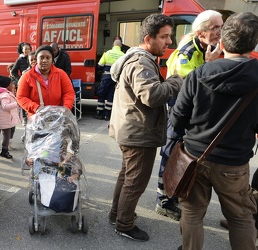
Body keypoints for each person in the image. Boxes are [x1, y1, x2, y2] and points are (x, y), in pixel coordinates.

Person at [170, 12, 258, 250]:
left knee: (192, 212)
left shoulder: (200, 73)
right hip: (234, 163)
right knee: (240, 217)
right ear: (253, 43)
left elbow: (177, 117)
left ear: (224, 41)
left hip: (195, 157)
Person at [108, 14, 183, 242]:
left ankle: (117, 214)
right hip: (138, 133)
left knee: (127, 176)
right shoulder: (141, 62)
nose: (169, 42)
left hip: (132, 129)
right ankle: (124, 224)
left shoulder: (140, 58)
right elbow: (152, 95)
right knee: (135, 181)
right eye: (165, 37)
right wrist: (175, 81)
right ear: (148, 38)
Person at [156, 10, 223, 221]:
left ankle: (175, 194)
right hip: (180, 112)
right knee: (171, 154)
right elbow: (189, 86)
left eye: (221, 26)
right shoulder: (186, 53)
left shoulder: (207, 48)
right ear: (201, 32)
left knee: (184, 157)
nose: (219, 32)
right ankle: (164, 202)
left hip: (194, 114)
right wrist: (209, 66)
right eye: (215, 28)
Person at [16, 45, 75, 117]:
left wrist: (66, 108)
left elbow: (68, 93)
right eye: (41, 57)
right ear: (36, 59)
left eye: (48, 58)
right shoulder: (27, 76)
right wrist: (36, 108)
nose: (44, 60)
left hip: (57, 117)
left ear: (52, 60)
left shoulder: (61, 74)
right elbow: (21, 97)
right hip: (36, 119)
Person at [0, 75, 21, 159]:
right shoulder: (5, 95)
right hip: (5, 119)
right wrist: (17, 103)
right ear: (7, 85)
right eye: (11, 83)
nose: (12, 85)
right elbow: (5, 106)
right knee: (6, 135)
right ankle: (4, 150)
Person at [94, 39, 124, 121]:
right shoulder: (123, 55)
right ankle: (107, 115)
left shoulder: (107, 53)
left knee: (101, 94)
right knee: (111, 95)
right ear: (120, 46)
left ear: (113, 45)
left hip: (106, 77)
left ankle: (99, 113)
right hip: (116, 78)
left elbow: (100, 65)